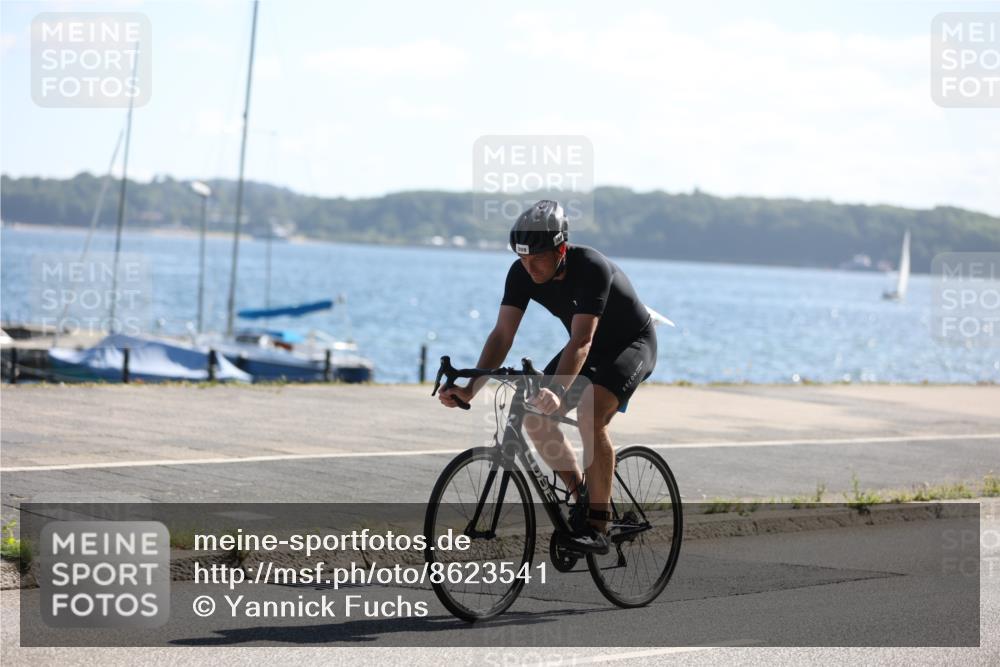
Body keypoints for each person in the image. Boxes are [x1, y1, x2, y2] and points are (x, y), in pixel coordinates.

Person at [437, 199, 658, 555]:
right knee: (535, 417)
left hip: (629, 344)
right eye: (522, 258)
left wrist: (557, 390)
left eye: (537, 257)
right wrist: (470, 389)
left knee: (590, 414)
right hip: (583, 346)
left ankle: (598, 527)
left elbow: (583, 340)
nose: (529, 266)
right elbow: (502, 336)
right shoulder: (521, 272)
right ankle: (580, 497)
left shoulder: (591, 268)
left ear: (561, 248)